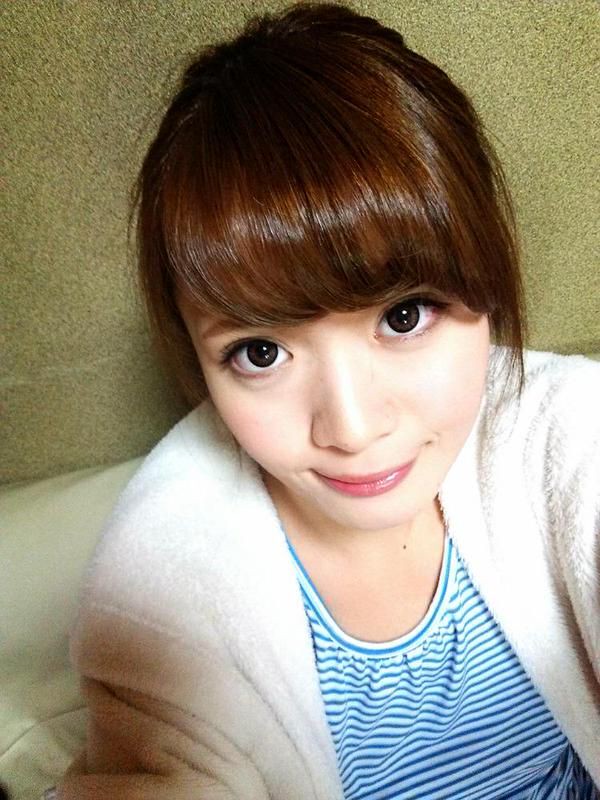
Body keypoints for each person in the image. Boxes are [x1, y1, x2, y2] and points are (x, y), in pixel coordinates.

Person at [57, 2, 599, 798]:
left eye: (404, 317)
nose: (352, 426)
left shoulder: (566, 442)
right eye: (261, 353)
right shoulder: (166, 601)